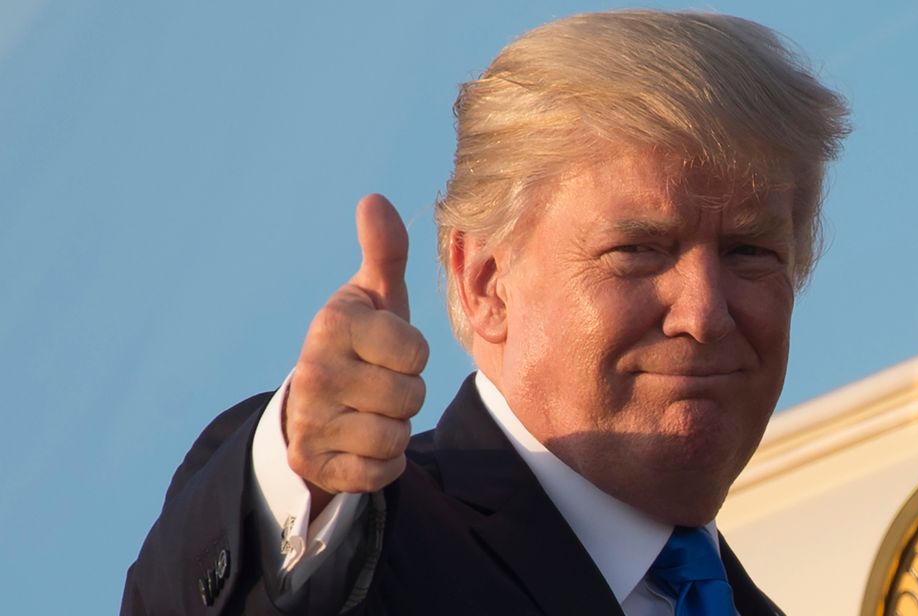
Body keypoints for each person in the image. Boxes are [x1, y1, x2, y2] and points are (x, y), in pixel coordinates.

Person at [122, 9, 848, 615]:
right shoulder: (366, 546)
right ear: (485, 282)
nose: (705, 313)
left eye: (751, 252)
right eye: (639, 249)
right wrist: (302, 474)